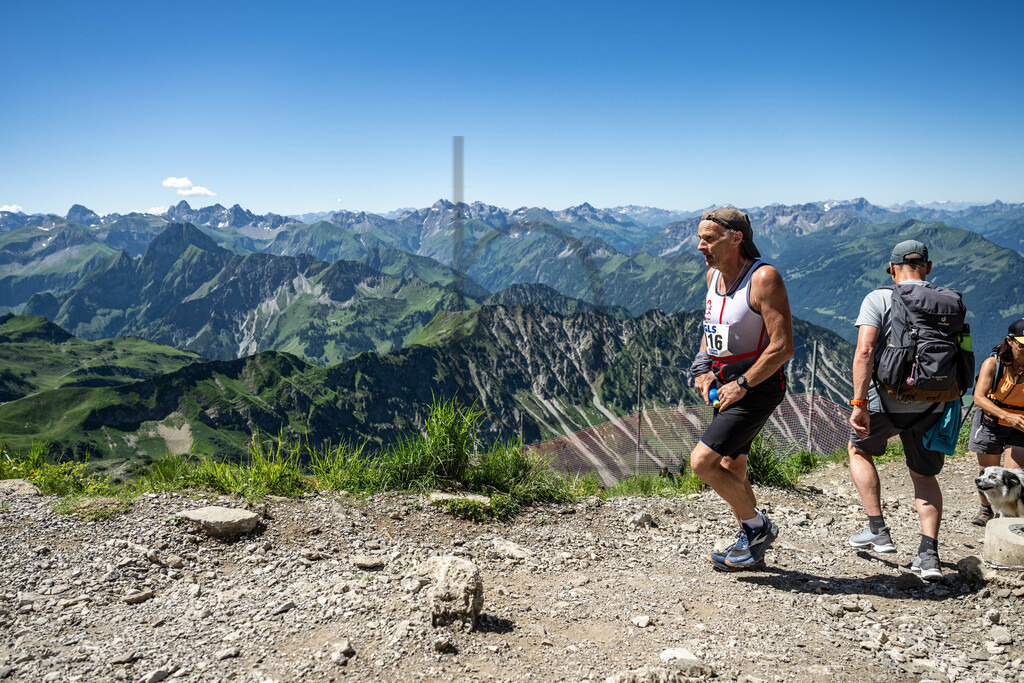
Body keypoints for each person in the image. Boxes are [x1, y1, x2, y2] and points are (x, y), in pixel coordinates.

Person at [689, 208, 794, 571]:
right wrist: (703, 367)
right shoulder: (712, 277)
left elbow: (783, 346)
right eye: (700, 237)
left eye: (708, 238)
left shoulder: (763, 278)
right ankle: (750, 546)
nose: (700, 246)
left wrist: (743, 383)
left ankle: (758, 528)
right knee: (733, 467)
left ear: (736, 239)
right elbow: (712, 329)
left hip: (756, 387)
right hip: (724, 385)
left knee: (703, 462)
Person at [847, 240, 947, 581]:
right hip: (935, 401)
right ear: (928, 268)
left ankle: (878, 530)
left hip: (887, 401)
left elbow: (865, 352)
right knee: (923, 475)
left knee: (859, 450)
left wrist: (859, 404)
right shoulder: (947, 301)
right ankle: (929, 555)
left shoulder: (878, 298)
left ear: (891, 269)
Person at [968, 318, 1024, 525]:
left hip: (1020, 427)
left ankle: (1004, 517)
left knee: (1011, 474)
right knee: (987, 471)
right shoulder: (993, 363)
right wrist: (1007, 416)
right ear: (1010, 341)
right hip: (991, 422)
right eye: (1022, 345)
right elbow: (979, 397)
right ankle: (985, 509)